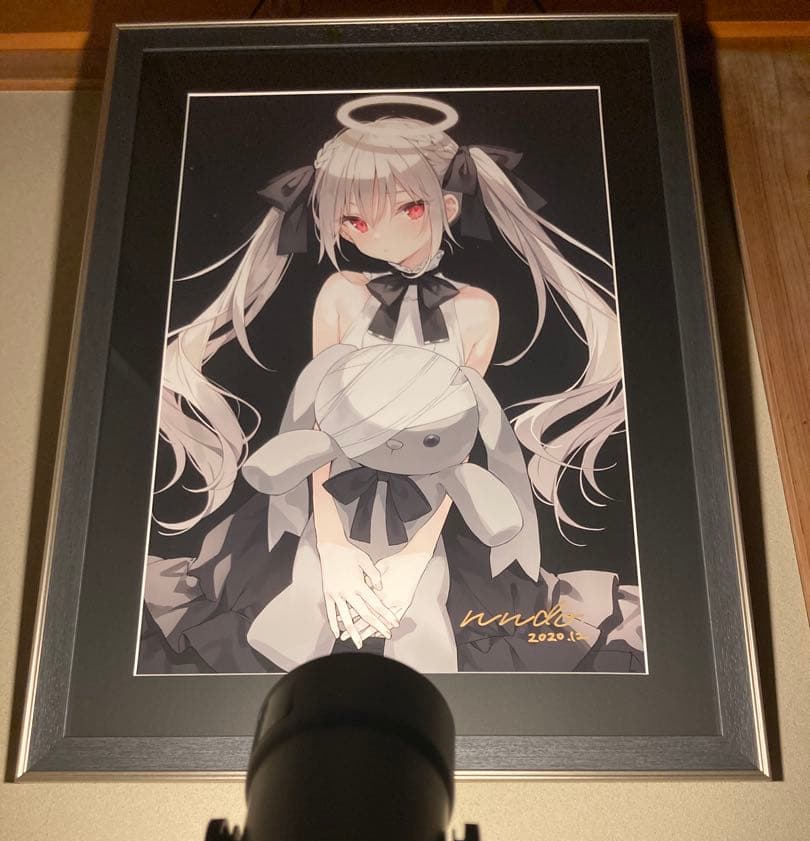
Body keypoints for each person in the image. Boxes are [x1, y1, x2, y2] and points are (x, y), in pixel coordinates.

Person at [141, 92, 643, 675]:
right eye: (352, 220)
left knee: (426, 629)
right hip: (326, 498)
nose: (371, 233)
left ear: (446, 206)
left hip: (431, 508)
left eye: (404, 208)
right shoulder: (340, 294)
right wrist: (332, 546)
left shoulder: (477, 310)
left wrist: (414, 557)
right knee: (292, 621)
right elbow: (319, 428)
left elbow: (453, 445)